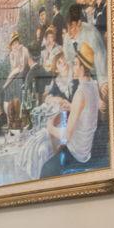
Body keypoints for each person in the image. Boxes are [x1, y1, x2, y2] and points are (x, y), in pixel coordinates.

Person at [43, 41, 103, 176]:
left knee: (45, 169)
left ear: (82, 68)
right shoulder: (93, 85)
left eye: (75, 64)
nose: (72, 66)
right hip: (86, 146)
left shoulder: (80, 93)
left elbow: (66, 136)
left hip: (78, 153)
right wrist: (72, 106)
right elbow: (87, 109)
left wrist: (50, 127)